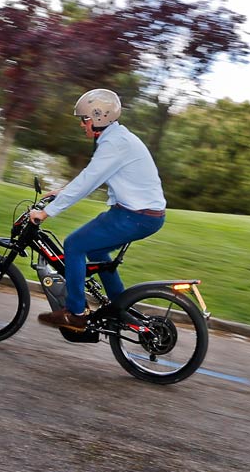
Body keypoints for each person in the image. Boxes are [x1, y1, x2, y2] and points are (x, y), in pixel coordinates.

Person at [30, 89, 166, 333]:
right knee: (95, 250)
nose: (82, 125)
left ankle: (75, 314)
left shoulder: (115, 143)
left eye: (84, 120)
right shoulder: (117, 139)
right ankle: (120, 307)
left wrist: (46, 212)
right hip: (134, 213)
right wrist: (62, 191)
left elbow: (88, 181)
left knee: (74, 244)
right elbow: (93, 176)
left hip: (136, 216)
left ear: (98, 118)